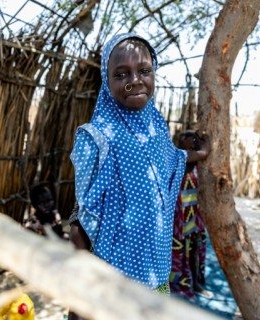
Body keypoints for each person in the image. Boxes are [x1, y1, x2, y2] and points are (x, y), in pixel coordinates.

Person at [68, 33, 209, 320]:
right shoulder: (96, 137)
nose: (135, 80)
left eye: (144, 70)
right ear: (106, 82)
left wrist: (198, 156)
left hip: (154, 266)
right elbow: (80, 215)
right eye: (121, 74)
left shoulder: (155, 126)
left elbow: (170, 159)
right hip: (113, 274)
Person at [169, 130, 213, 301]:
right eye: (190, 139)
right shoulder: (178, 158)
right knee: (177, 250)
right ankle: (180, 282)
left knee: (195, 249)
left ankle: (196, 284)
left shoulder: (199, 164)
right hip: (179, 217)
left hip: (195, 215)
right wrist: (205, 143)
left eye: (195, 139)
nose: (194, 142)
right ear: (181, 142)